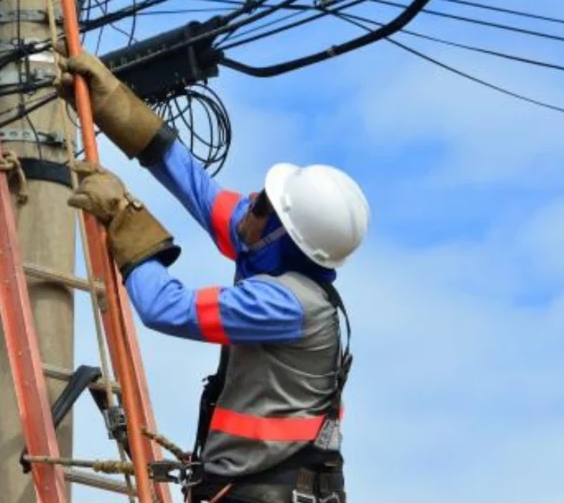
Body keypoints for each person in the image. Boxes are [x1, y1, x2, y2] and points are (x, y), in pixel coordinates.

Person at [55, 47, 370, 503]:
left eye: (263, 205)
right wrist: (116, 108)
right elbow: (200, 190)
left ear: (282, 237)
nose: (249, 201)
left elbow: (165, 307)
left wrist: (125, 218)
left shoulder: (287, 304)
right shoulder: (269, 247)